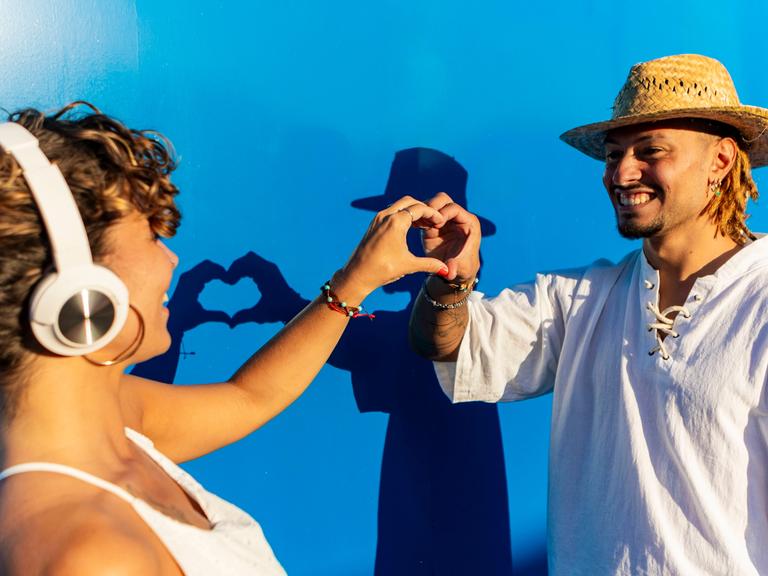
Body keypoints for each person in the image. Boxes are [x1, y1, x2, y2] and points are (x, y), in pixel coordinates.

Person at [0, 102, 450, 576]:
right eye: (151, 238)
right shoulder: (90, 555)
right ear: (81, 291)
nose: (170, 261)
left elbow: (249, 397)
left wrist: (354, 281)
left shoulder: (108, 418)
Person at [409, 53, 768, 575]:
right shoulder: (577, 299)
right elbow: (449, 345)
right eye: (613, 154)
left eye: (651, 151)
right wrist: (453, 278)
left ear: (721, 160)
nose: (622, 173)